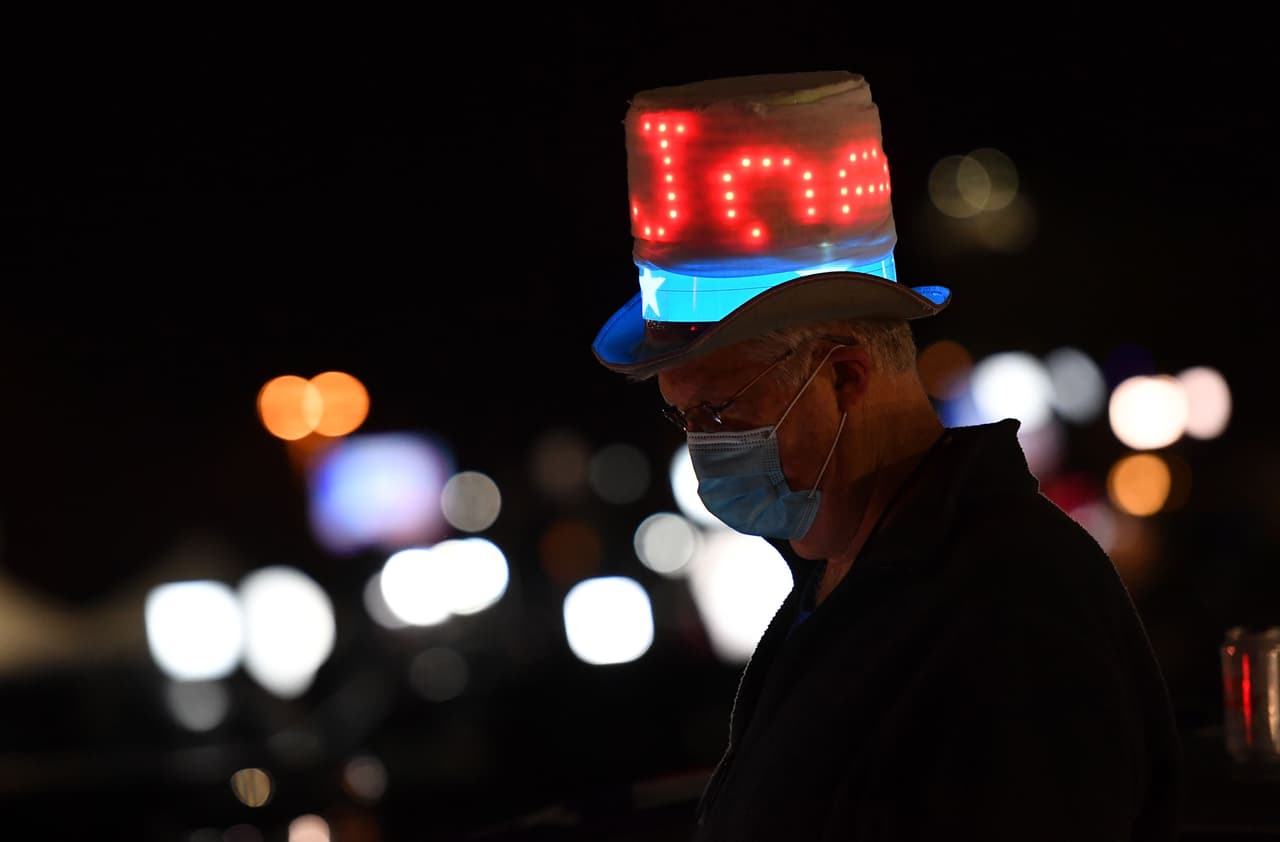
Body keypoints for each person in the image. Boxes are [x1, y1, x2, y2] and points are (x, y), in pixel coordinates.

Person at [590, 70, 1184, 840]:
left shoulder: (1009, 613)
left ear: (845, 375)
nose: (702, 442)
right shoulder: (848, 579)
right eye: (683, 413)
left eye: (722, 407)